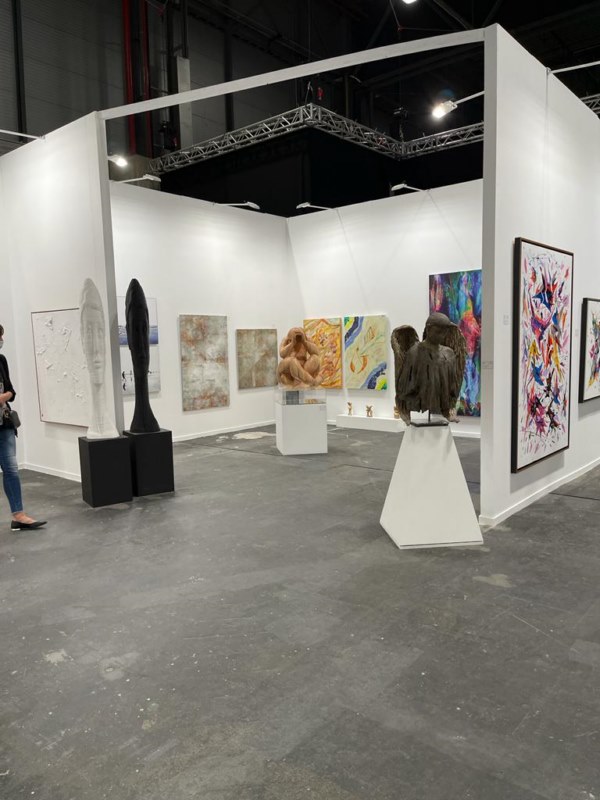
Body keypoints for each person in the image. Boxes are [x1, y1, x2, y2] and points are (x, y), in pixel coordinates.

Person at [0, 324, 47, 531]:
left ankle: (18, 515)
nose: (1, 341)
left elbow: (12, 391)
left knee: (11, 469)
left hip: (4, 423)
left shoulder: (1, 360)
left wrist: (3, 397)